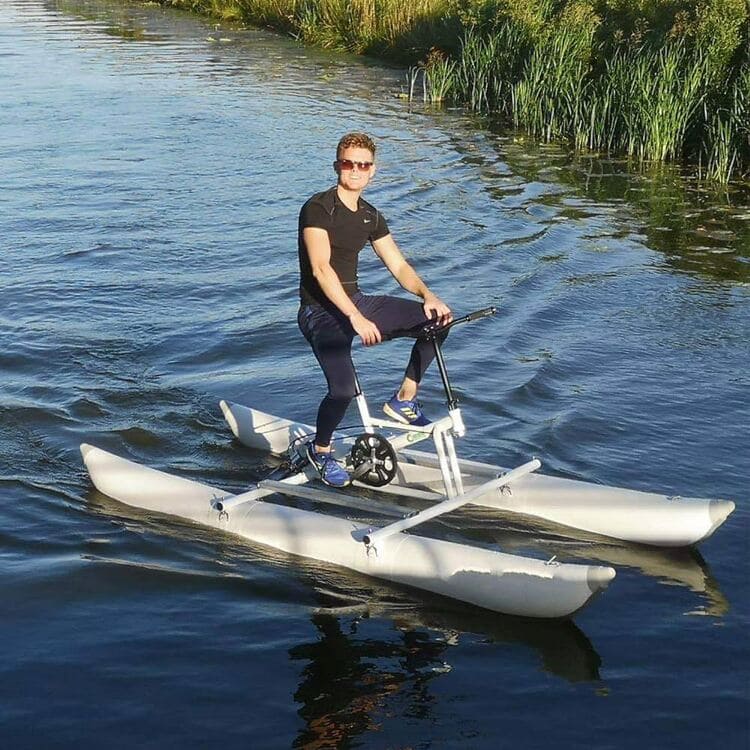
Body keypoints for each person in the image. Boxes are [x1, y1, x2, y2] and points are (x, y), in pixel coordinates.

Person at [297, 132, 452, 487]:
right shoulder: (318, 208)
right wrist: (354, 316)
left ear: (372, 171)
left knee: (439, 320)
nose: (355, 170)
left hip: (358, 303)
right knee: (342, 391)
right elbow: (321, 269)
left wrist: (428, 294)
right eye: (348, 163)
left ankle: (403, 400)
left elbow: (397, 266)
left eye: (362, 165)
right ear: (337, 166)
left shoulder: (370, 216)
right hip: (319, 311)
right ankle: (320, 451)